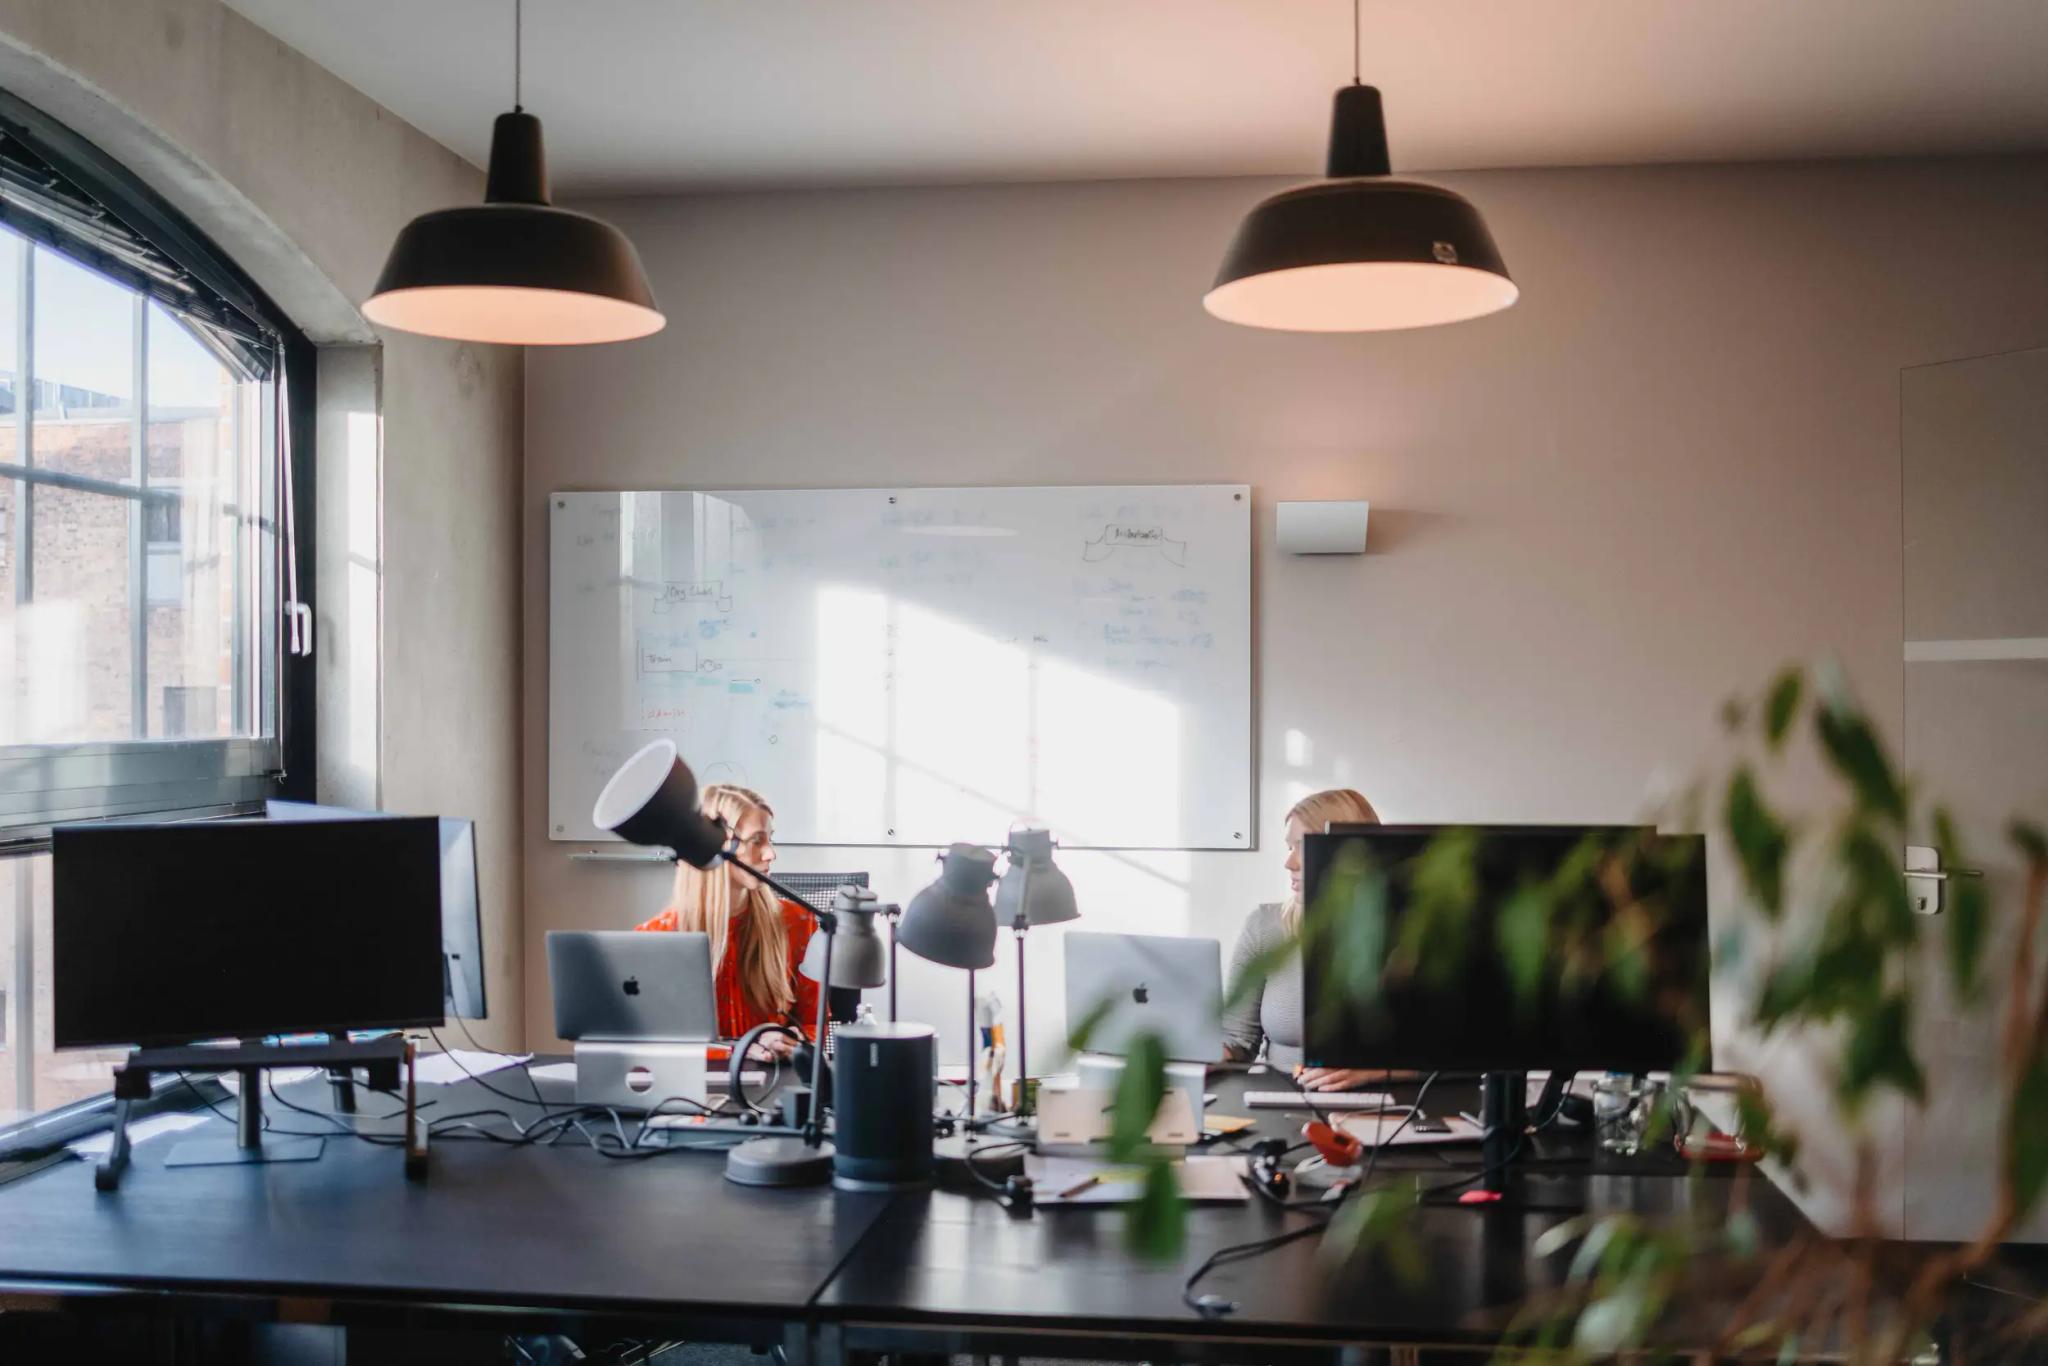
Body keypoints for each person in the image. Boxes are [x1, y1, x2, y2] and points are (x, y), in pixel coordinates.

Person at [1220, 787, 1390, 1091]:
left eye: (1302, 846)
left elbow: (1458, 1054)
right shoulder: (1265, 925)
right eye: (1289, 847)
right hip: (1279, 1099)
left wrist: (1380, 1071)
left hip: (1379, 1105)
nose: (1290, 863)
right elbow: (1237, 1040)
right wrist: (1202, 1056)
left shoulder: (1408, 933)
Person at [633, 783, 817, 1059]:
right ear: (716, 848)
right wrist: (738, 1051)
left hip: (772, 1084)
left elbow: (816, 1022)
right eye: (757, 840)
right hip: (691, 1090)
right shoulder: (657, 936)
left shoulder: (796, 921)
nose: (770, 854)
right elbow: (652, 1045)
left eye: (770, 839)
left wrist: (791, 1041)